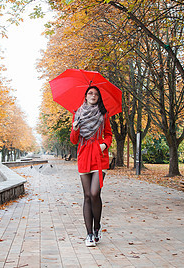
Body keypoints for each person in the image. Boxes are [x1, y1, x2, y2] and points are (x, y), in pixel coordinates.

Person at [70, 86, 112, 247]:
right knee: (87, 195)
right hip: (83, 155)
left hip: (99, 155)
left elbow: (108, 134)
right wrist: (75, 128)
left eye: (96, 94)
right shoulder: (77, 113)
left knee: (95, 193)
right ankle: (89, 234)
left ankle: (97, 227)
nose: (93, 96)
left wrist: (104, 145)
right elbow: (74, 140)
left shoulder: (104, 113)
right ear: (86, 96)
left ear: (98, 97)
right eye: (90, 93)